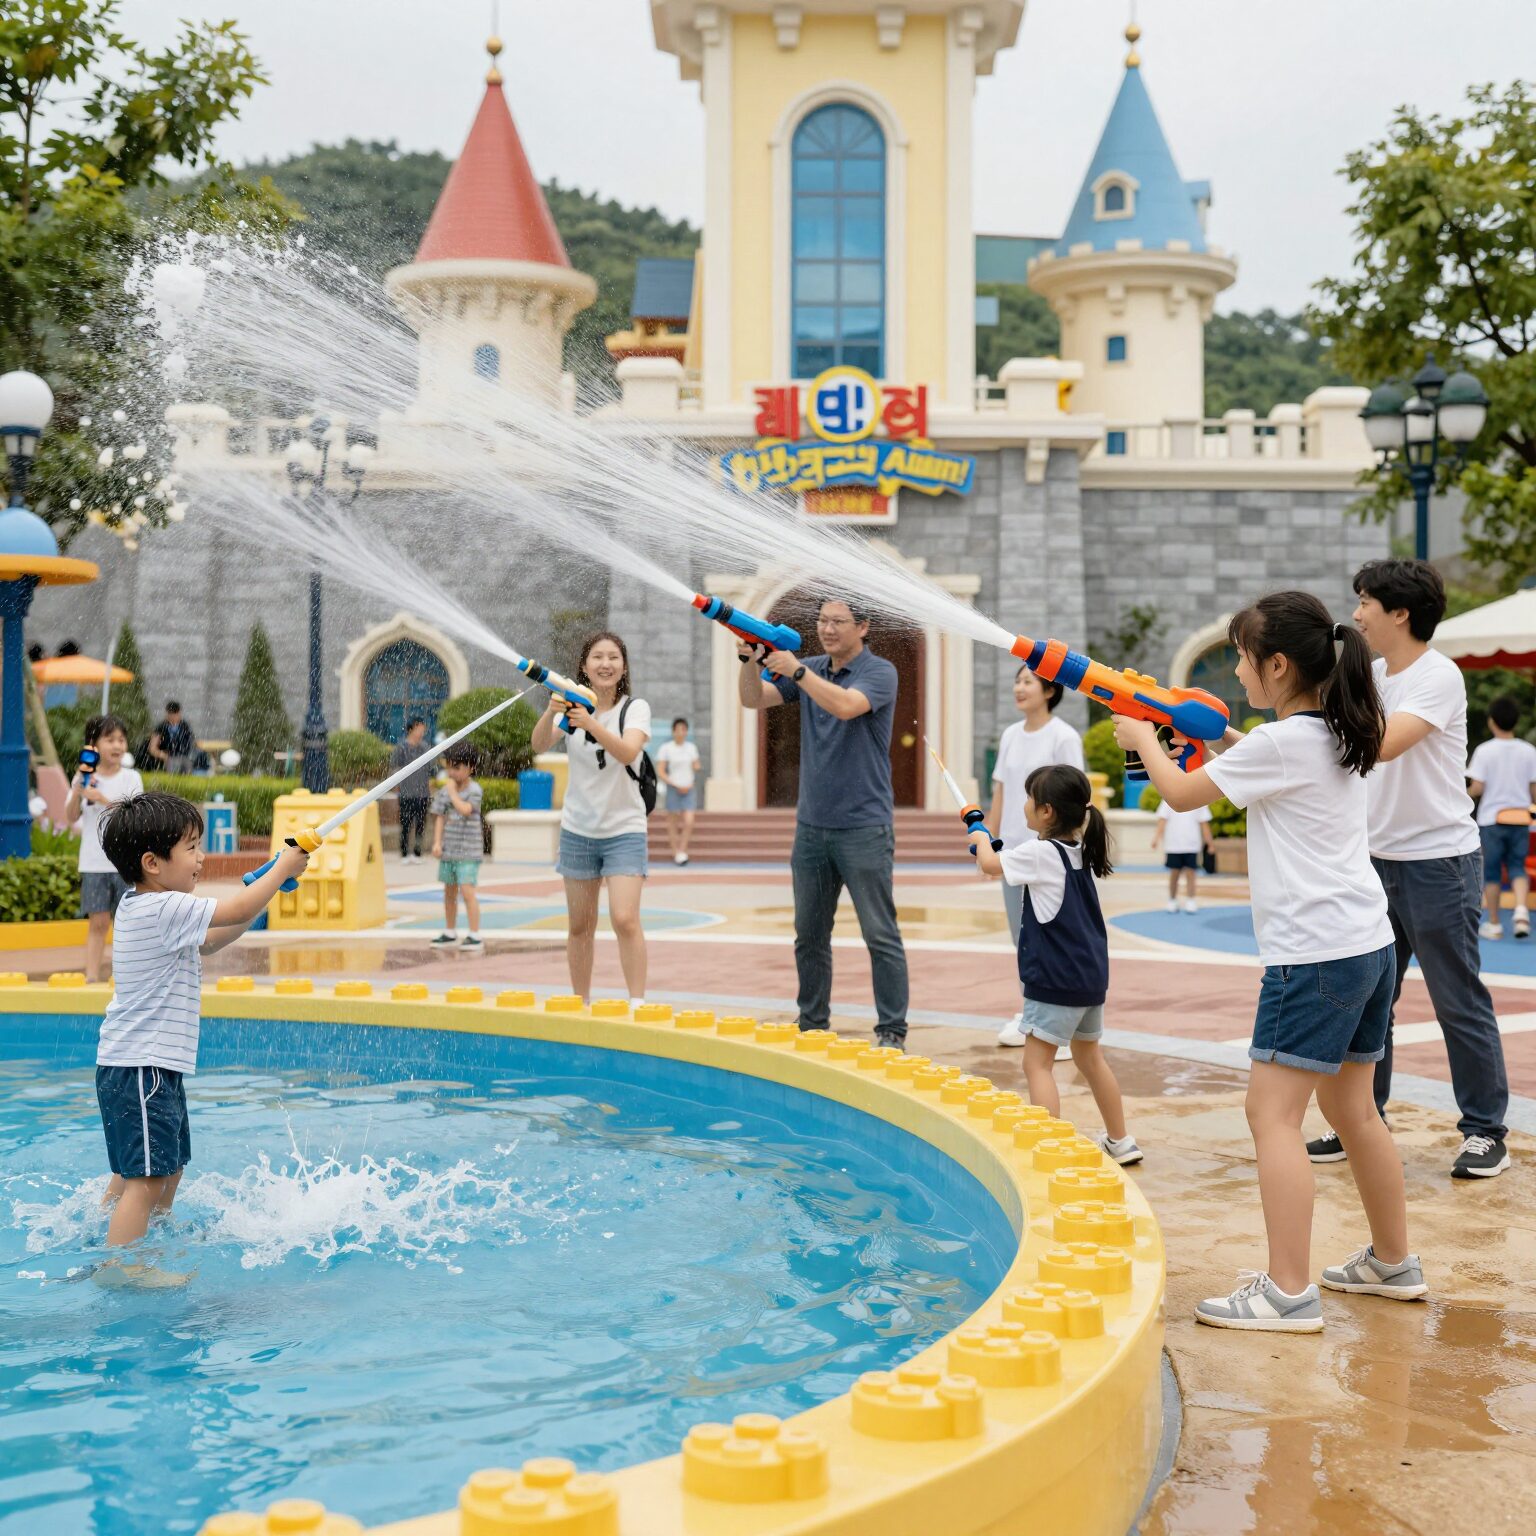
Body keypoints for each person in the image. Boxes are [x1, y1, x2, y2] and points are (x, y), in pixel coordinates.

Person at [1116, 592, 1424, 1333]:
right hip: (1367, 945)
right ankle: (1393, 1262)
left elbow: (1180, 793)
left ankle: (1287, 1292)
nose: (1238, 673)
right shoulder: (1339, 729)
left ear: (1278, 665)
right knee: (1354, 1111)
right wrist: (1214, 734)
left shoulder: (1280, 745)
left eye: (1243, 660)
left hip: (1313, 958)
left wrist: (1141, 735)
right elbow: (1266, 766)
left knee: (1271, 1116)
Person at [1306, 560, 1509, 1178]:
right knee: (1370, 1002)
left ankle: (1485, 1131)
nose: (1356, 614)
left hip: (1438, 863)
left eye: (1365, 602)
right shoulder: (1370, 675)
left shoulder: (1438, 675)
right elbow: (1322, 741)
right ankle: (1363, 1120)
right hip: (1374, 862)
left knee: (1457, 1001)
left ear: (1400, 613)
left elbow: (1381, 745)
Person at [95, 792, 310, 1245]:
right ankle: (124, 1265)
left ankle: (121, 1230)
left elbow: (213, 939)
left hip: (148, 1066)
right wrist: (281, 869)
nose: (201, 858)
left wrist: (269, 886)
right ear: (152, 863)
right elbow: (238, 908)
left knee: (165, 1168)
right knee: (147, 1179)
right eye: (191, 848)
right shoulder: (163, 907)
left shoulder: (145, 905)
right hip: (142, 1066)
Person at [736, 597, 909, 1050]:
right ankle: (812, 1024)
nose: (827, 629)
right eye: (822, 621)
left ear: (863, 627)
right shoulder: (810, 667)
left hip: (864, 826)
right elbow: (753, 699)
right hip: (811, 827)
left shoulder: (880, 672)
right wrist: (749, 662)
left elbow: (847, 706)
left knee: (879, 933)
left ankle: (892, 1030)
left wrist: (796, 671)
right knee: (809, 935)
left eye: (838, 622)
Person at [972, 764, 1141, 1165]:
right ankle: (1121, 1141)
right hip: (1089, 979)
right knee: (1090, 1059)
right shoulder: (1077, 849)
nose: (1025, 806)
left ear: (1046, 811)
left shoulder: (1040, 852)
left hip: (1055, 980)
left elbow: (990, 865)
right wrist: (991, 846)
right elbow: (1004, 862)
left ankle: (1051, 1150)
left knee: (1037, 1064)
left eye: (1029, 799)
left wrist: (978, 833)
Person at [530, 632, 652, 1004]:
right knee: (580, 925)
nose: (605, 664)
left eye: (613, 657)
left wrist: (591, 722)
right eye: (597, 657)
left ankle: (637, 1003)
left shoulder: (635, 709)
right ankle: (580, 1001)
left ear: (624, 667)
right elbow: (538, 745)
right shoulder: (571, 707)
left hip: (625, 829)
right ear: (584, 666)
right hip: (578, 829)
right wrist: (552, 711)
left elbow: (628, 752)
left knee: (625, 918)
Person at [991, 664, 1086, 1047]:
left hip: (1050, 856)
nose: (1019, 687)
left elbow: (1076, 798)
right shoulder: (1010, 735)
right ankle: (1031, 1012)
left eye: (1028, 681)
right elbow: (1000, 791)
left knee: (1052, 937)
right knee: (1023, 938)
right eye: (1017, 680)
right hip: (1014, 852)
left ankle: (1055, 1023)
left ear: (1049, 690)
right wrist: (992, 841)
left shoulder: (1064, 737)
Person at [66, 714, 143, 984]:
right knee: (97, 923)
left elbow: (135, 816)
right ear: (94, 744)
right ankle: (91, 976)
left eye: (121, 740)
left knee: (127, 923)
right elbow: (71, 816)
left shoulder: (131, 778)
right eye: (110, 739)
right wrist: (78, 792)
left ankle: (128, 977)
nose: (117, 745)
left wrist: (101, 798)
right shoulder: (84, 776)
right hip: (93, 863)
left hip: (124, 863)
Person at [1466, 695, 1536, 940]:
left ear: (1492, 721)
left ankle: (1494, 923)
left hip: (1491, 821)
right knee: (1517, 867)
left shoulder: (1484, 751)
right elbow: (1534, 790)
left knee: (1493, 872)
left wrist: (1463, 794)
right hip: (1520, 819)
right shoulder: (1529, 751)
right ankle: (1521, 912)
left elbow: (1478, 788)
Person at [429, 742, 485, 952]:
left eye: (457, 767)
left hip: (468, 851)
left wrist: (452, 794)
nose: (452, 772)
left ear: (471, 768)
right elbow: (440, 816)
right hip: (449, 850)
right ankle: (450, 930)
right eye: (450, 767)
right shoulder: (445, 791)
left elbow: (466, 810)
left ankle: (474, 933)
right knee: (449, 892)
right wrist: (437, 842)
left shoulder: (474, 790)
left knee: (467, 891)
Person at [1152, 795, 1214, 913]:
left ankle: (1191, 900)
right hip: (1173, 845)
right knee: (1174, 873)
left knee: (1191, 873)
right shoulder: (1169, 798)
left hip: (1192, 844)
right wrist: (1156, 838)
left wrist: (1210, 843)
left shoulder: (1199, 799)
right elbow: (1162, 820)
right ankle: (1172, 900)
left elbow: (1204, 823)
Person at [656, 717, 703, 866]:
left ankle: (682, 850)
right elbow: (661, 770)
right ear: (673, 731)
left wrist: (696, 768)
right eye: (677, 729)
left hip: (688, 787)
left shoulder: (691, 748)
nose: (680, 732)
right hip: (673, 787)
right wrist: (673, 783)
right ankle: (675, 851)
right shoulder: (666, 748)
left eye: (683, 729)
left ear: (686, 732)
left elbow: (696, 765)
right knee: (673, 820)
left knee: (689, 820)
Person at [390, 717, 433, 864]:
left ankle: (417, 853)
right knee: (405, 824)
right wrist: (397, 789)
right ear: (411, 729)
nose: (422, 732)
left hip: (422, 794)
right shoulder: (401, 748)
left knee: (421, 825)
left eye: (423, 729)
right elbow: (395, 768)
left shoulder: (425, 748)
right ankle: (404, 853)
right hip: (406, 793)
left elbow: (430, 770)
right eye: (419, 728)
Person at [149, 702, 197, 774]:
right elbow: (152, 748)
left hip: (184, 757)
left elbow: (192, 741)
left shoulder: (185, 726)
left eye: (176, 714)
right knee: (173, 768)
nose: (174, 717)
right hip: (170, 757)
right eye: (172, 715)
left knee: (187, 767)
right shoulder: (161, 727)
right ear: (168, 714)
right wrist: (164, 756)